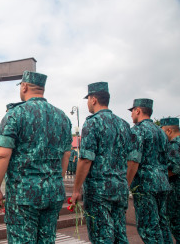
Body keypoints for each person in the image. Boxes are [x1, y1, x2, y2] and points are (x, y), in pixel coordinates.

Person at [0, 71, 72, 243]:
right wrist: (56, 180)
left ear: (24, 86)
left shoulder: (15, 114)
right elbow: (66, 155)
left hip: (24, 195)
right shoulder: (62, 117)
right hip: (53, 192)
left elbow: (1, 155)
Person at [71, 82, 133, 243]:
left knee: (102, 236)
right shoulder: (124, 125)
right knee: (120, 234)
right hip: (120, 188)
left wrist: (77, 189)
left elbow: (85, 159)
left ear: (93, 99)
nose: (87, 103)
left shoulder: (92, 123)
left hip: (99, 191)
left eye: (88, 99)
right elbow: (132, 158)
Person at [126, 99, 173, 243]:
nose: (132, 114)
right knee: (163, 225)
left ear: (138, 111)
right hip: (163, 182)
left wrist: (126, 184)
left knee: (149, 228)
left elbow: (133, 161)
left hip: (145, 185)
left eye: (132, 111)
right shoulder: (161, 132)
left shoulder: (137, 131)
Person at [161, 117, 180, 242]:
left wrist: (159, 177)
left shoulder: (175, 145)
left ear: (168, 130)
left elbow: (173, 169)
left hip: (176, 191)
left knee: (175, 223)